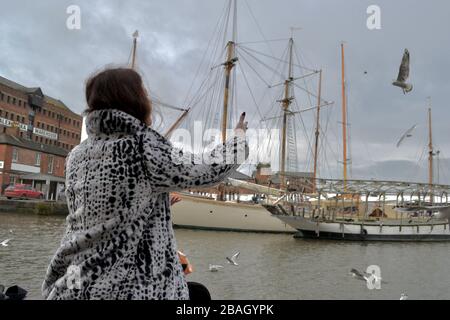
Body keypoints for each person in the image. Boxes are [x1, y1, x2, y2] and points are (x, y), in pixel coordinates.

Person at [42, 67, 248, 300]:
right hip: (128, 288)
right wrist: (238, 139)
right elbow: (208, 170)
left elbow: (100, 212)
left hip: (76, 283)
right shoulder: (142, 147)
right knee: (199, 295)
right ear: (134, 99)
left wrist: (150, 205)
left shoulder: (77, 155)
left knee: (197, 293)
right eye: (144, 93)